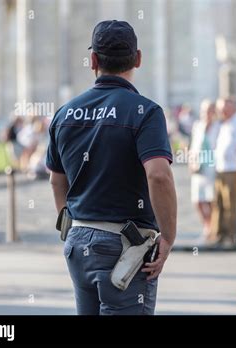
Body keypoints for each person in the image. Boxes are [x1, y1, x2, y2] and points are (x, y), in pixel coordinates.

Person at [46, 20, 177, 315]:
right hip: (124, 246)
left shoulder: (65, 113)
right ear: (138, 59)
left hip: (79, 239)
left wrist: (70, 228)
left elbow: (57, 181)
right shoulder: (145, 111)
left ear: (93, 60)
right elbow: (158, 175)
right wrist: (168, 236)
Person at [210, 97, 236, 247]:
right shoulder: (222, 124)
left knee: (230, 203)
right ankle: (218, 234)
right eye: (220, 108)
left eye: (225, 107)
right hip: (220, 167)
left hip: (233, 168)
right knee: (218, 203)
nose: (222, 111)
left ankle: (231, 236)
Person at [189, 99, 220, 244]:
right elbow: (193, 145)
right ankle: (206, 227)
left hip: (212, 167)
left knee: (210, 199)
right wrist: (191, 162)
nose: (206, 113)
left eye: (209, 110)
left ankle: (211, 231)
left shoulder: (219, 126)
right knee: (197, 200)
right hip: (198, 167)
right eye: (204, 111)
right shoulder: (198, 126)